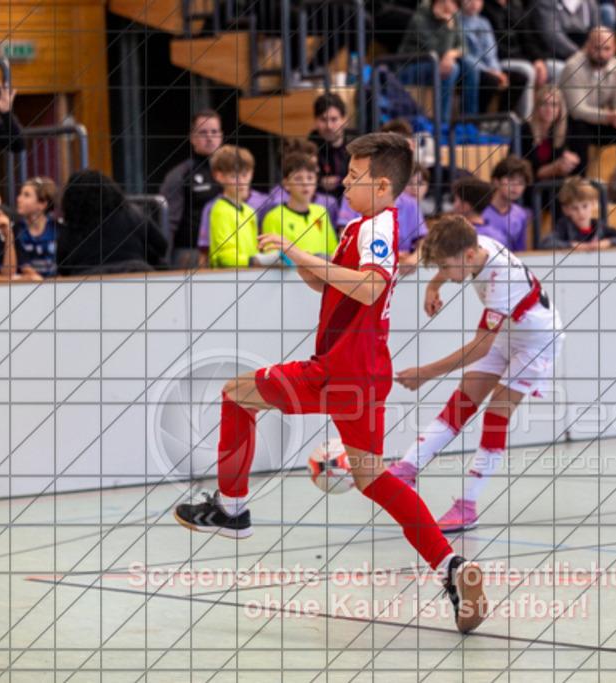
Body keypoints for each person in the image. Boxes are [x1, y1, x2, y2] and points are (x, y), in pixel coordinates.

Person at [173, 133, 490, 634]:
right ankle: (452, 567)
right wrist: (296, 256)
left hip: (339, 368)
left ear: (382, 185)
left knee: (235, 394)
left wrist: (300, 252)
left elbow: (369, 287)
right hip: (366, 371)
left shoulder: (376, 228)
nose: (342, 182)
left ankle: (232, 508)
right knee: (373, 478)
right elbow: (330, 283)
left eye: (354, 176)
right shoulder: (362, 227)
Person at [388, 213, 564, 533]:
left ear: (468, 256)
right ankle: (407, 468)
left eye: (445, 267)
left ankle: (467, 507)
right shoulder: (472, 246)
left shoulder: (501, 280)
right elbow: (451, 260)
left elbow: (480, 348)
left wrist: (425, 373)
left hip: (537, 342)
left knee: (495, 416)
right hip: (509, 332)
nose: (443, 273)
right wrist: (433, 284)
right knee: (461, 404)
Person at [559, 27, 616, 204]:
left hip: (600, 119)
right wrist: (610, 117)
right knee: (579, 127)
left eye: (606, 48)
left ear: (614, 49)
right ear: (587, 46)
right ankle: (580, 188)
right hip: (573, 122)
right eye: (596, 48)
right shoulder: (573, 66)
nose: (601, 54)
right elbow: (577, 109)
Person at [57, 169, 168, 276]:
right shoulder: (133, 213)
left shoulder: (74, 224)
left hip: (89, 279)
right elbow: (161, 245)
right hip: (135, 273)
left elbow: (62, 265)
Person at [159, 110, 224, 270]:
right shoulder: (179, 175)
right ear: (192, 138)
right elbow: (168, 223)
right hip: (191, 253)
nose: (209, 137)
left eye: (214, 132)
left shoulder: (233, 173)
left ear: (221, 136)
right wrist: (163, 262)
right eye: (202, 132)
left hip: (227, 251)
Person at [398, 0, 480, 119]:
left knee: (470, 66)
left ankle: (469, 122)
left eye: (453, 3)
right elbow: (437, 52)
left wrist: (452, 54)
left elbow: (464, 48)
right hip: (411, 68)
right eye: (443, 1)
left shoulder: (452, 18)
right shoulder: (420, 19)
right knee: (451, 69)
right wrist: (448, 28)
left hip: (436, 63)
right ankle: (441, 124)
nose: (448, 6)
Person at [204, 145, 280, 269]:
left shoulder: (250, 211)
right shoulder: (220, 210)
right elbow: (226, 258)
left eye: (244, 175)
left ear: (251, 174)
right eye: (234, 176)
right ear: (219, 176)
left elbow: (254, 250)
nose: (241, 181)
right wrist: (262, 260)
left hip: (249, 276)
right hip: (227, 280)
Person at [262, 153, 338, 260]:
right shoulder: (273, 217)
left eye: (310, 178)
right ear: (286, 184)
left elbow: (333, 252)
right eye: (298, 178)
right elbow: (273, 257)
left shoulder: (321, 212)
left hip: (322, 275)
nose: (305, 183)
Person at [539, 176, 616, 249]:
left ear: (593, 203)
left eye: (585, 206)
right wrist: (576, 246)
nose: (581, 213)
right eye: (574, 208)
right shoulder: (563, 227)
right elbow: (546, 243)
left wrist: (606, 243)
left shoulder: (600, 227)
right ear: (566, 210)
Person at [520, 86, 579, 183]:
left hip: (552, 184)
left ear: (560, 109)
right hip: (529, 184)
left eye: (554, 105)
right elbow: (531, 172)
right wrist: (556, 166)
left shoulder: (563, 130)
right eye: (544, 103)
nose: (549, 109)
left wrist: (570, 161)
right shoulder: (525, 129)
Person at [308, 93, 356, 200]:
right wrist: (320, 182)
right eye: (323, 120)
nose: (328, 126)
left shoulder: (356, 148)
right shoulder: (309, 148)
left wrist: (340, 181)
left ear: (344, 119)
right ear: (315, 120)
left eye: (334, 119)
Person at [481, 155, 532, 252]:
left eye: (521, 182)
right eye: (510, 179)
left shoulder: (521, 215)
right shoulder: (480, 210)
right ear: (496, 181)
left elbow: (520, 251)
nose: (515, 186)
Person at [12, 177, 59, 280]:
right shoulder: (15, 230)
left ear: (42, 204)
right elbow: (24, 267)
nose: (18, 199)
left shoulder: (58, 230)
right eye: (20, 194)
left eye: (26, 195)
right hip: (26, 287)